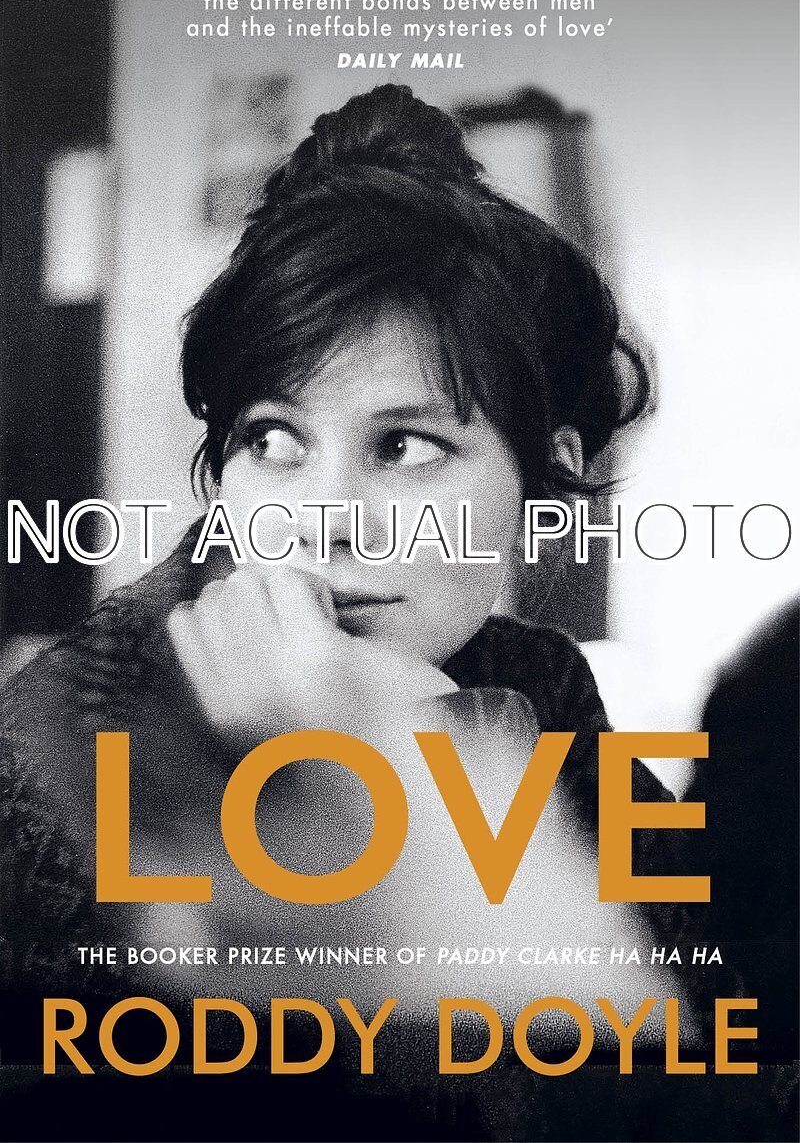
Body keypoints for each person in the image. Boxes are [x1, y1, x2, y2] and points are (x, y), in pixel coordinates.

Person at [2, 84, 780, 1141]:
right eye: (272, 439)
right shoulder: (76, 731)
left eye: (404, 447)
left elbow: (701, 1045)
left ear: (541, 477)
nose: (322, 521)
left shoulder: (535, 680)